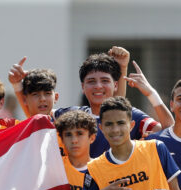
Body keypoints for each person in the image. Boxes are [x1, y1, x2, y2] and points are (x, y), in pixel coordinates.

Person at [10, 50, 172, 157]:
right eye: (91, 81)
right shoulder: (72, 116)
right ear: (83, 87)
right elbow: (36, 118)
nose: (98, 86)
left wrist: (151, 93)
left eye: (104, 81)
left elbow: (169, 130)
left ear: (115, 85)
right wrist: (18, 86)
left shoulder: (132, 116)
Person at [83, 96, 181, 190]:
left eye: (121, 123)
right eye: (109, 124)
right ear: (101, 128)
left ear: (131, 125)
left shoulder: (156, 149)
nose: (115, 129)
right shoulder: (93, 168)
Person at [55, 110, 97, 190]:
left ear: (92, 138)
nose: (74, 140)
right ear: (62, 139)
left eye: (79, 133)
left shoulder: (102, 169)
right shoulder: (54, 168)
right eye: (68, 135)